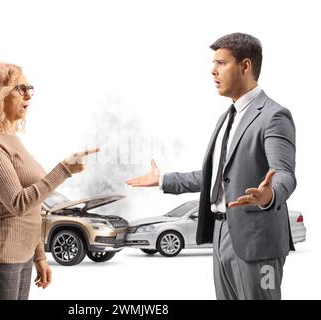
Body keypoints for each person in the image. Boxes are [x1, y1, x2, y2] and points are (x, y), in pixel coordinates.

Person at [126, 33, 296, 300]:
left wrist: (269, 195)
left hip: (257, 240)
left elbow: (284, 172)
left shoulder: (274, 116)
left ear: (245, 66)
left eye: (221, 63)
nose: (212, 70)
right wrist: (163, 180)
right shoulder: (226, 118)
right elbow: (216, 178)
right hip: (221, 233)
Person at [0, 62, 99, 300]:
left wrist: (38, 255)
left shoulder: (11, 139)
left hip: (21, 255)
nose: (28, 94)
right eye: (19, 88)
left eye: (29, 87)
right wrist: (64, 170)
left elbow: (32, 210)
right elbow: (18, 204)